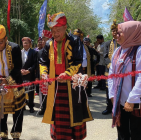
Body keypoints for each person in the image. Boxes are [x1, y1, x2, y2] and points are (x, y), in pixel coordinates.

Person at [40, 12, 93, 140]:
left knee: (75, 115)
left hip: (72, 85)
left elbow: (78, 61)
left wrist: (68, 73)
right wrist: (44, 73)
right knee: (58, 119)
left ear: (65, 28)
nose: (55, 34)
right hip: (56, 86)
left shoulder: (74, 41)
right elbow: (43, 61)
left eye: (58, 30)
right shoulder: (48, 44)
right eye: (53, 31)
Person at [108, 21, 141, 140]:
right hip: (120, 103)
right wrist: (113, 100)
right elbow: (111, 76)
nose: (116, 35)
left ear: (131, 33)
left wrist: (132, 99)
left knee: (138, 135)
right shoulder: (118, 51)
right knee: (122, 135)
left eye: (120, 33)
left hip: (137, 103)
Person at [0, 25, 25, 140]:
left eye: (0, 42)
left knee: (17, 110)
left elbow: (18, 67)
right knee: (1, 109)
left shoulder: (15, 48)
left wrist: (7, 79)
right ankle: (3, 133)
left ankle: (16, 134)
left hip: (14, 83)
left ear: (6, 39)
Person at [102, 20, 119, 115]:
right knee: (109, 88)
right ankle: (109, 107)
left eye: (116, 30)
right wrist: (110, 65)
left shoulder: (122, 42)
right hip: (109, 70)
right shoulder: (107, 43)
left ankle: (118, 107)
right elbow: (105, 56)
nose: (115, 32)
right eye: (113, 31)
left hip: (120, 70)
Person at [21, 37, 37, 113]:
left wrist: (28, 70)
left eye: (27, 43)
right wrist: (20, 70)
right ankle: (23, 105)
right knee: (22, 91)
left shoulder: (34, 52)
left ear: (30, 44)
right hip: (21, 75)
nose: (26, 44)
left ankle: (31, 106)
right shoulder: (19, 52)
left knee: (30, 92)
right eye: (24, 43)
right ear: (22, 44)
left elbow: (35, 64)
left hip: (30, 74)